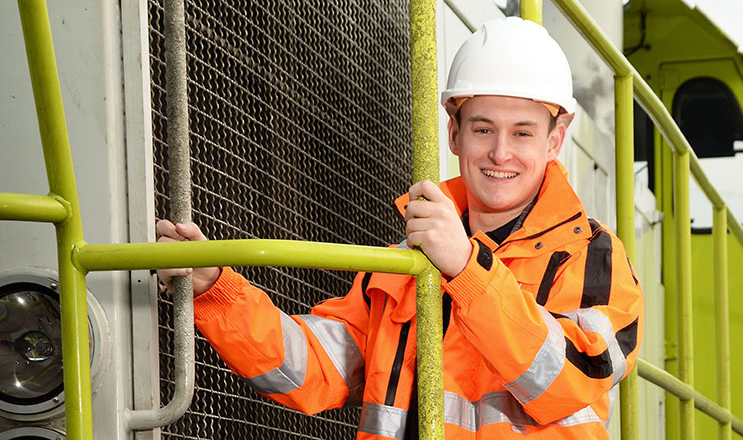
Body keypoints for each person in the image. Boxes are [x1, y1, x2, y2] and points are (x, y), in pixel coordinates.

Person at [157, 17, 644, 439]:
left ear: (555, 139)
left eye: (523, 132)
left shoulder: (592, 254)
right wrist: (215, 290)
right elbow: (312, 372)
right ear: (454, 134)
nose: (500, 153)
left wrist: (465, 268)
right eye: (482, 129)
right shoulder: (403, 264)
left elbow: (574, 375)